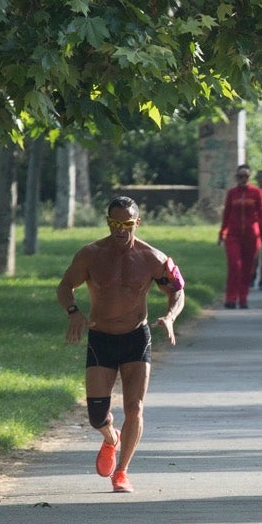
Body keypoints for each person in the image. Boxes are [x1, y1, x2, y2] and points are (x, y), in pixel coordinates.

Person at [54, 197, 185, 494]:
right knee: (96, 415)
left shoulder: (152, 258)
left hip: (136, 337)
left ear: (137, 223)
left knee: (134, 406)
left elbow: (176, 291)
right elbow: (65, 287)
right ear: (108, 222)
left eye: (126, 224)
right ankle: (111, 438)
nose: (120, 230)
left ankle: (122, 472)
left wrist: (170, 316)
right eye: (115, 224)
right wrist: (73, 312)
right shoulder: (91, 255)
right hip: (101, 337)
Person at [218, 164, 262, 310]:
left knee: (247, 268)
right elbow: (226, 214)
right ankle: (231, 298)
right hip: (233, 235)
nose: (243, 179)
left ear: (249, 177)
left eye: (246, 176)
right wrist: (222, 232)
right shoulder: (232, 193)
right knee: (235, 265)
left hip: (251, 235)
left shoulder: (256, 193)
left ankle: (243, 298)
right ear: (236, 178)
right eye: (240, 176)